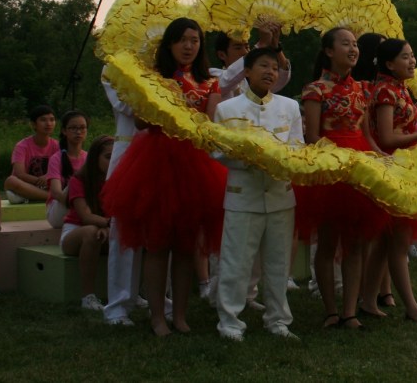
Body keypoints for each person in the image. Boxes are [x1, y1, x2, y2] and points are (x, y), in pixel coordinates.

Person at [102, 17, 227, 336]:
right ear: (169, 44)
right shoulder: (153, 78)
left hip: (195, 166)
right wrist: (159, 103)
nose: (189, 46)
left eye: (195, 40)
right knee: (156, 245)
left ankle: (180, 315)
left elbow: (209, 126)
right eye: (183, 40)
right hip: (155, 163)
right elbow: (142, 123)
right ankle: (158, 316)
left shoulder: (209, 82)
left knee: (186, 246)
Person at [296, 27, 386, 330]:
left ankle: (350, 312)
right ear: (329, 51)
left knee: (357, 241)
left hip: (359, 165)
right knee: (328, 242)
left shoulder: (362, 89)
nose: (353, 49)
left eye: (356, 44)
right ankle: (331, 310)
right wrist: (335, 162)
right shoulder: (315, 89)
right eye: (345, 44)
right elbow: (311, 136)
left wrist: (379, 158)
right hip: (329, 167)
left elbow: (366, 135)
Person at [213, 47, 303, 341]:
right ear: (247, 72)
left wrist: (279, 157)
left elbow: (298, 148)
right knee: (235, 261)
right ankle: (229, 320)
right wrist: (247, 157)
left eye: (275, 68)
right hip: (243, 195)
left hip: (280, 195)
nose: (270, 72)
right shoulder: (228, 109)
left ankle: (278, 319)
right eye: (263, 66)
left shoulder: (289, 107)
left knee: (278, 264)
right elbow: (217, 151)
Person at [364, 37, 417, 324]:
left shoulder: (396, 88)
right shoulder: (385, 91)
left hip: (403, 166)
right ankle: (411, 307)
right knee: (398, 241)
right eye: (406, 57)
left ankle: (369, 301)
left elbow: (401, 121)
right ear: (389, 63)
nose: (412, 61)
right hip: (395, 168)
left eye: (413, 55)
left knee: (386, 240)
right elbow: (388, 138)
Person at [101, 67, 144, 326]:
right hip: (128, 151)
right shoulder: (114, 67)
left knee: (159, 229)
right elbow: (129, 107)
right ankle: (117, 303)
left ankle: (154, 295)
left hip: (163, 151)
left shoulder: (167, 64)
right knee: (122, 231)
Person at [60, 135, 114, 311]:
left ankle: (130, 292)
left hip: (106, 230)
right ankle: (88, 296)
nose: (112, 161)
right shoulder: (79, 179)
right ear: (94, 157)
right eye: (107, 157)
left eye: (116, 156)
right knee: (91, 232)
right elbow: (85, 216)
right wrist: (106, 224)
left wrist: (107, 227)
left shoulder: (117, 179)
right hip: (75, 232)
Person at [4, 105, 59, 203]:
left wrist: (47, 177)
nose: (48, 123)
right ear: (33, 124)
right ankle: (53, 197)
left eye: (52, 119)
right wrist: (40, 181)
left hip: (50, 184)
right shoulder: (22, 146)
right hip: (27, 185)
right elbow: (19, 173)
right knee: (10, 181)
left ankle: (29, 197)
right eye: (43, 120)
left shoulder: (57, 145)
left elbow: (61, 169)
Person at [45, 110, 89, 228]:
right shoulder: (56, 158)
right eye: (73, 128)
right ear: (64, 131)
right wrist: (79, 207)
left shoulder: (89, 157)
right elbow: (56, 192)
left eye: (82, 127)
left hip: (83, 209)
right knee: (75, 183)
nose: (78, 131)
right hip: (60, 211)